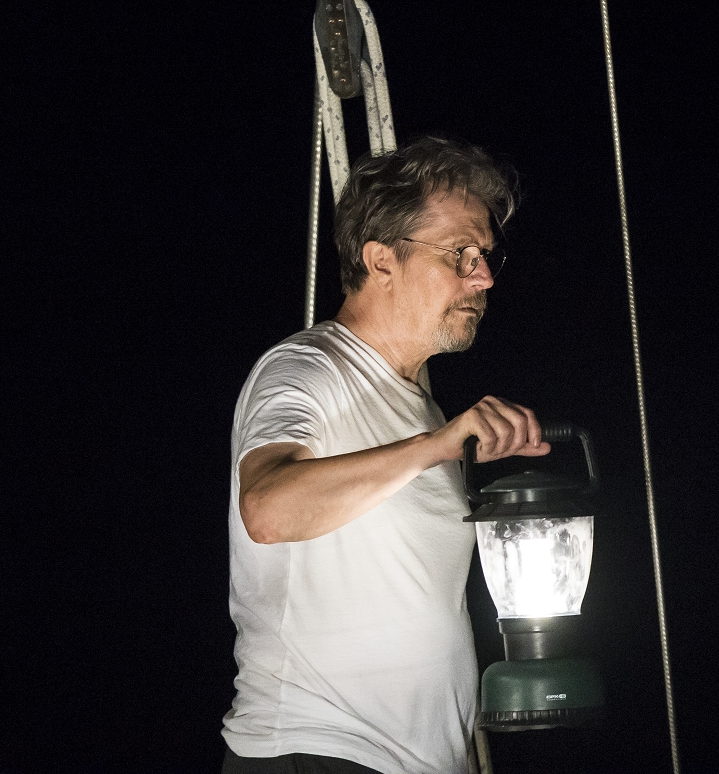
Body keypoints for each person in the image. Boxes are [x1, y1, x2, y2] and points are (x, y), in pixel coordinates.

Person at [220, 136, 550, 774]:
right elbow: (266, 508)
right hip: (316, 752)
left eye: (485, 256)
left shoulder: (419, 407)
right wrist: (436, 446)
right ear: (381, 260)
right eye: (459, 253)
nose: (482, 276)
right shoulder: (307, 369)